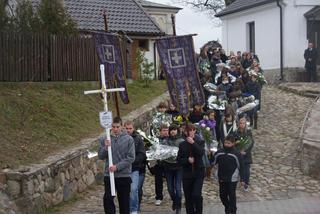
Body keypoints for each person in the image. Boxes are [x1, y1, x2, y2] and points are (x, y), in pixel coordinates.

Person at [98, 117, 135, 214]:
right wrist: (106, 147)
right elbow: (100, 156)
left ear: (122, 127)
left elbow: (131, 157)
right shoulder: (105, 138)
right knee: (107, 199)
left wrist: (117, 167)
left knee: (124, 203)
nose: (115, 129)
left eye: (117, 127)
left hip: (124, 175)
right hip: (109, 175)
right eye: (113, 127)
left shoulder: (129, 139)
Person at [212, 135, 244, 214]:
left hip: (232, 177)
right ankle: (227, 206)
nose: (226, 144)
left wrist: (243, 179)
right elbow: (213, 162)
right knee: (222, 195)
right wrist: (210, 155)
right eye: (225, 143)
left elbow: (241, 166)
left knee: (231, 194)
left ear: (233, 144)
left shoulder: (236, 154)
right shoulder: (219, 152)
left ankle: (233, 211)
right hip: (221, 176)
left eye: (228, 143)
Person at [177, 123, 205, 214]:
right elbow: (179, 159)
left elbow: (201, 153)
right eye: (189, 131)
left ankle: (199, 211)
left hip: (198, 172)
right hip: (187, 174)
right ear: (185, 132)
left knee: (196, 194)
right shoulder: (182, 144)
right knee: (188, 197)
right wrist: (187, 160)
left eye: (193, 130)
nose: (191, 132)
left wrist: (193, 143)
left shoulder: (200, 141)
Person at [124, 121, 146, 214]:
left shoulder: (138, 139)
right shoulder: (120, 139)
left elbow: (142, 154)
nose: (128, 130)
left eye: (130, 128)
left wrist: (132, 160)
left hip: (134, 169)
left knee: (134, 189)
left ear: (133, 128)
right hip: (123, 170)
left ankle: (134, 209)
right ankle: (126, 208)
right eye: (127, 128)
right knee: (125, 191)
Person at [162, 124, 184, 214]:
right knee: (170, 189)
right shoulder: (165, 141)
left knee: (178, 189)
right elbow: (162, 151)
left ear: (177, 131)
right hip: (168, 167)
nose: (172, 131)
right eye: (171, 130)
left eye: (174, 130)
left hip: (179, 167)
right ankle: (175, 201)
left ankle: (178, 205)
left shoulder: (181, 141)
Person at [234, 117, 254, 192]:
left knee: (247, 171)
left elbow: (251, 143)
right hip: (239, 154)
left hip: (246, 154)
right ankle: (241, 180)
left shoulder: (248, 132)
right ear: (238, 124)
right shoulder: (235, 132)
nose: (242, 125)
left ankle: (246, 183)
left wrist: (246, 151)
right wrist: (238, 151)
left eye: (243, 123)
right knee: (239, 169)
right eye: (240, 123)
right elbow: (234, 143)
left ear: (245, 124)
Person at [152, 124, 169, 206]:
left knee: (170, 180)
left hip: (168, 163)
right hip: (158, 163)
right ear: (160, 131)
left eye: (167, 130)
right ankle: (158, 197)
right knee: (158, 181)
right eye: (164, 130)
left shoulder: (170, 139)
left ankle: (173, 195)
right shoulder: (156, 140)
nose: (166, 132)